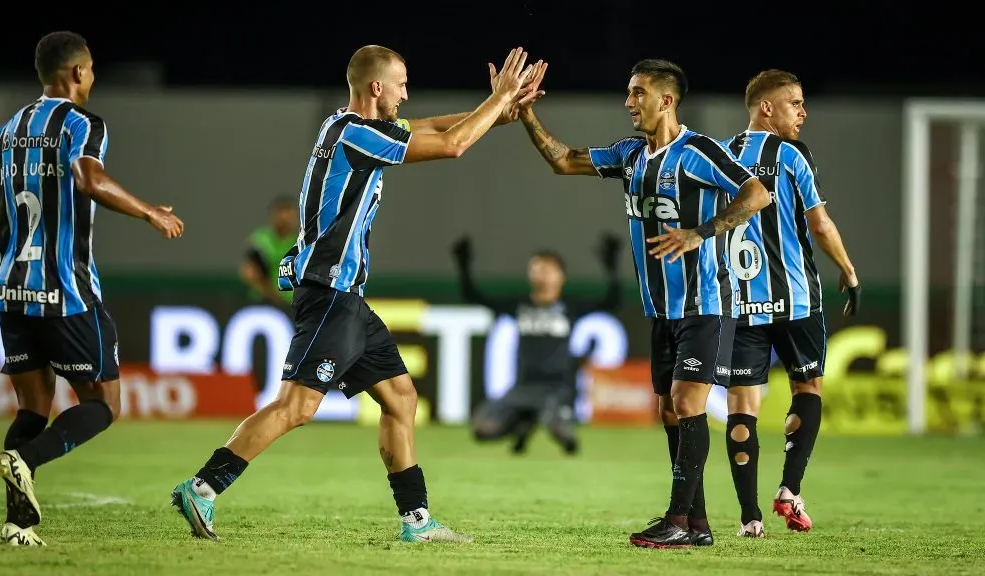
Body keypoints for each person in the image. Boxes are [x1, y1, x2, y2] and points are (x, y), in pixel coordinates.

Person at [170, 45, 546, 544]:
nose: (406, 93)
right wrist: (496, 101)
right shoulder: (355, 134)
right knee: (297, 407)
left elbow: (430, 128)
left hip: (347, 298)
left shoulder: (344, 127)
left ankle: (417, 522)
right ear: (376, 88)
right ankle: (203, 487)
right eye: (402, 83)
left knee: (400, 398)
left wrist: (498, 110)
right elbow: (452, 145)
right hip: (329, 293)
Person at [517, 58, 772, 548]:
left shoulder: (697, 151)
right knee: (670, 411)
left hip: (706, 302)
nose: (629, 102)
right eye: (629, 92)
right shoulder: (632, 154)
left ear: (666, 100)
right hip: (662, 309)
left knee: (686, 401)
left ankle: (676, 519)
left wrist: (702, 232)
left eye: (638, 93)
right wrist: (527, 114)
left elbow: (757, 192)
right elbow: (564, 159)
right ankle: (696, 525)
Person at [0, 31, 184, 547]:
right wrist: (149, 210)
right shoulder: (83, 125)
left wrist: (20, 236)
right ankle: (26, 458)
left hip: (12, 292)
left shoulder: (11, 127)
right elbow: (89, 180)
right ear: (79, 72)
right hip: (66, 291)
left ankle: (18, 526)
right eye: (91, 71)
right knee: (105, 405)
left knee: (32, 407)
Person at [721, 69, 860, 538]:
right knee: (809, 388)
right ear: (767, 107)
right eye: (794, 103)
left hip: (738, 304)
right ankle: (789, 489)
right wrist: (848, 268)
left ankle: (749, 517)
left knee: (743, 404)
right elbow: (819, 224)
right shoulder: (792, 155)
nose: (802, 113)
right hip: (797, 300)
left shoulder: (718, 155)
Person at [452, 233, 623, 455]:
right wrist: (463, 265)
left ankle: (542, 422)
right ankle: (524, 422)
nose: (541, 272)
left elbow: (612, 301)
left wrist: (612, 267)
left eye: (548, 268)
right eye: (536, 267)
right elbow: (474, 296)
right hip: (522, 388)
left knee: (563, 435)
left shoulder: (570, 307)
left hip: (557, 390)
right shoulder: (519, 305)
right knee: (482, 430)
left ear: (562, 276)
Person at [239, 196, 299, 308]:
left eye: (290, 215)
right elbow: (248, 271)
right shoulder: (261, 238)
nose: (286, 219)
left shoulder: (300, 242)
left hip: (290, 304)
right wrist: (267, 292)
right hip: (262, 302)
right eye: (281, 213)